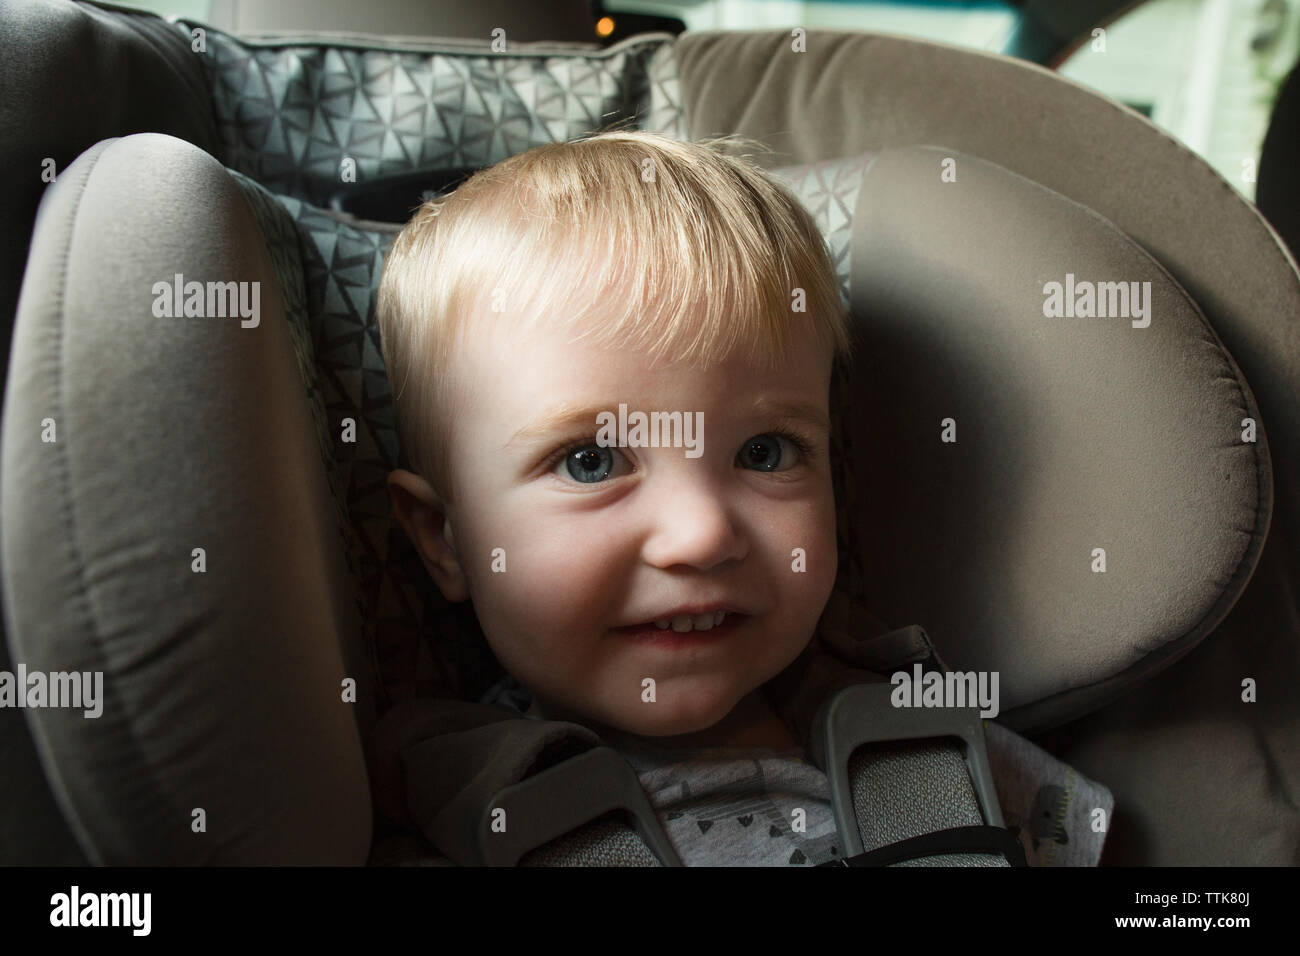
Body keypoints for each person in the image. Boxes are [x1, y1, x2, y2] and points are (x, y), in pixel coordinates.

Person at [377, 129, 1110, 865]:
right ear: (444, 537)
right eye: (592, 462)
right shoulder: (426, 818)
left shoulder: (936, 751)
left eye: (765, 453)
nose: (700, 534)